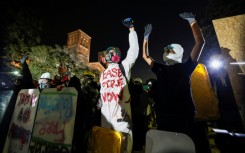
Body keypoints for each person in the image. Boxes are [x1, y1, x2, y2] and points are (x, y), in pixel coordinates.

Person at [142, 11, 205, 141]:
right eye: (166, 49)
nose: (166, 51)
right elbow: (145, 56)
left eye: (169, 49)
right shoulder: (161, 68)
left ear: (178, 52)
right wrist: (145, 38)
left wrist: (192, 21)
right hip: (164, 117)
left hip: (184, 116)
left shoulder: (185, 66)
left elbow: (200, 42)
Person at [98, 17, 139, 153]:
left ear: (116, 55)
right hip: (105, 121)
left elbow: (133, 51)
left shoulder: (123, 67)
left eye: (111, 52)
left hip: (122, 121)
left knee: (123, 149)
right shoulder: (103, 74)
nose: (108, 54)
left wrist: (131, 29)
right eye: (107, 53)